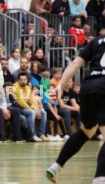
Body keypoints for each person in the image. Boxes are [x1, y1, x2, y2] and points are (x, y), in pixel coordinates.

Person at [46, 35, 105, 184]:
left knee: (87, 131)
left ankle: (56, 165)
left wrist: (59, 87)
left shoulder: (97, 41)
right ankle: (100, 178)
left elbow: (74, 64)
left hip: (88, 87)